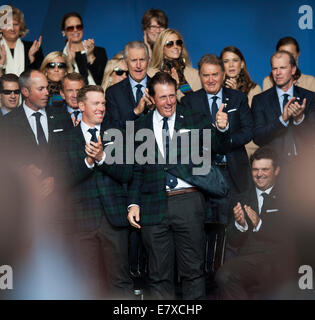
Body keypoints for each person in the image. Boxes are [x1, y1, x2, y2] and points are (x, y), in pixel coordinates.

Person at [127, 72, 230, 300]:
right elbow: (136, 171)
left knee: (193, 271)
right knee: (158, 275)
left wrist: (222, 128)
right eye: (162, 97)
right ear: (151, 98)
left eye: (172, 96)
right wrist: (133, 203)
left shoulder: (194, 118)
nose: (169, 102)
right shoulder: (139, 126)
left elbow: (218, 147)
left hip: (188, 202)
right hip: (153, 205)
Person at [55, 85, 133, 298]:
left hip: (114, 220)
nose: (101, 108)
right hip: (80, 222)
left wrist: (102, 159)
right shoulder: (64, 139)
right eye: (96, 103)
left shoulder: (117, 135)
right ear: (81, 106)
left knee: (120, 281)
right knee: (87, 284)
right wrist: (89, 162)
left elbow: (127, 173)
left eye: (103, 103)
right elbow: (62, 180)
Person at [215, 147, 294, 299]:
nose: (259, 174)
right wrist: (241, 224)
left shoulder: (288, 198)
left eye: (265, 169)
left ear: (276, 170)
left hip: (278, 259)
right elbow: (233, 240)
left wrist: (259, 224)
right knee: (223, 275)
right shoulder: (240, 199)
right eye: (255, 170)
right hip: (248, 260)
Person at [182, 54, 253, 196]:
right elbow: (188, 137)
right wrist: (213, 139)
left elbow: (248, 131)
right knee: (207, 218)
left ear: (223, 75)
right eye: (205, 75)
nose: (210, 80)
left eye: (215, 74)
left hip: (234, 170)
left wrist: (225, 139)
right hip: (204, 173)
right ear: (200, 76)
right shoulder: (189, 102)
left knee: (236, 216)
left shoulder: (238, 98)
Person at [252, 50, 315, 166]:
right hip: (275, 167)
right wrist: (282, 120)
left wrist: (299, 119)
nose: (278, 73)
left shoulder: (310, 98)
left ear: (293, 69)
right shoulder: (260, 100)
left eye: (282, 68)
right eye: (274, 68)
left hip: (305, 166)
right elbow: (258, 137)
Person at [220, 46, 261, 158]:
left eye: (235, 60)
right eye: (226, 61)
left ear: (242, 64)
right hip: (223, 149)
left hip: (247, 148)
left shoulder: (254, 89)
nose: (231, 65)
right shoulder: (216, 90)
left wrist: (236, 94)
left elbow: (252, 121)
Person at [105, 41, 154, 129]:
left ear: (148, 61)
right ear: (126, 62)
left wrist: (153, 109)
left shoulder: (158, 88)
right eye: (134, 60)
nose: (138, 65)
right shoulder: (113, 93)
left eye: (142, 60)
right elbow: (113, 129)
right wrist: (135, 112)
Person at [148, 29, 201, 101]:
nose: (175, 46)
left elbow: (195, 105)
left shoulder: (195, 75)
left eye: (178, 43)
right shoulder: (150, 74)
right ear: (161, 48)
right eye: (170, 44)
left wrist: (177, 87)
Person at [61, 12, 107, 85]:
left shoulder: (99, 51)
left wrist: (91, 56)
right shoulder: (60, 57)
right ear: (63, 32)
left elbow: (103, 79)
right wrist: (69, 63)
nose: (75, 30)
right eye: (70, 28)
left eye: (79, 27)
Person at [0, 5, 43, 76]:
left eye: (15, 24)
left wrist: (32, 58)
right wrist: (1, 63)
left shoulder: (32, 48)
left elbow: (40, 78)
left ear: (21, 26)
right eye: (8, 25)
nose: (12, 29)